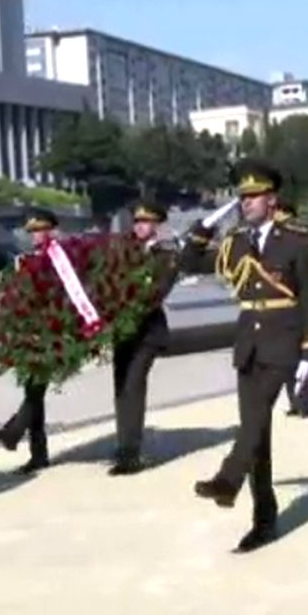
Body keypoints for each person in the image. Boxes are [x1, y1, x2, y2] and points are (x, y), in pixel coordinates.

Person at [180, 159, 308, 553]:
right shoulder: (235, 242)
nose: (246, 202)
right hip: (249, 342)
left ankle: (228, 478)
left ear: (272, 199)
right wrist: (203, 229)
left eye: (254, 196)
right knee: (256, 432)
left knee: (257, 417)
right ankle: (264, 520)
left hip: (284, 339)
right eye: (242, 197)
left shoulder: (296, 240)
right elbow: (189, 263)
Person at [109, 200, 181, 476]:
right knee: (120, 388)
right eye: (137, 222)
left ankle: (131, 452)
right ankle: (123, 445)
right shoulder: (122, 252)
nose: (139, 226)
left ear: (156, 226)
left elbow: (159, 291)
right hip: (122, 330)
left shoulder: (166, 256)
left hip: (148, 331)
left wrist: (131, 306)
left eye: (146, 222)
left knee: (133, 385)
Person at [0, 210, 61, 474]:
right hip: (28, 333)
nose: (35, 236)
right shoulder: (24, 261)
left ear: (52, 231)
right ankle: (37, 453)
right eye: (32, 232)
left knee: (35, 390)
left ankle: (14, 432)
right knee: (34, 392)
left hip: (52, 333)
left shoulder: (61, 260)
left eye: (40, 230)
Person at [273, 200, 308, 418]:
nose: (277, 217)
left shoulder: (300, 237)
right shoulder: (271, 237)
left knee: (302, 353)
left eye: (280, 212)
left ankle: (304, 402)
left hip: (299, 303)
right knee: (286, 357)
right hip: (281, 307)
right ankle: (295, 400)